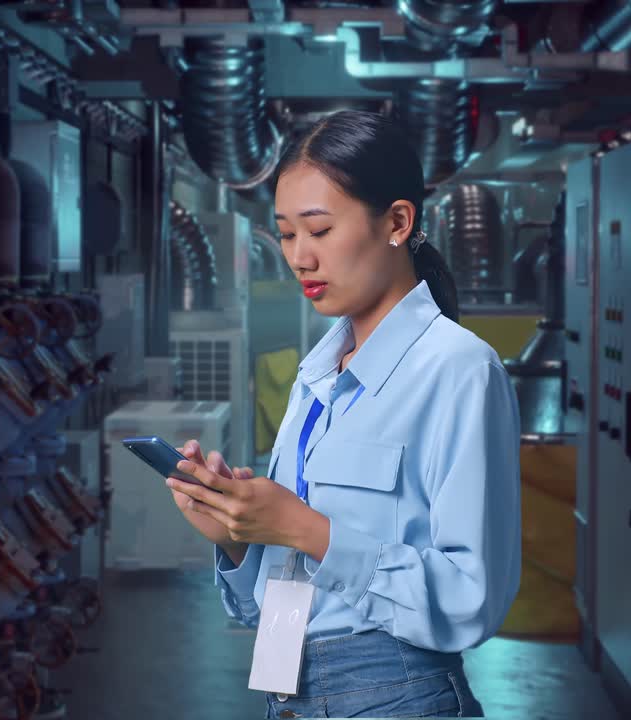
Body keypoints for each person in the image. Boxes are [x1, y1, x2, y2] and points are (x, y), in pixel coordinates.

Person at [164, 110, 522, 719]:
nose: (299, 257)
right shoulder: (319, 376)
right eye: (286, 234)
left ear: (398, 222)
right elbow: (277, 601)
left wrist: (305, 528)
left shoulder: (459, 369)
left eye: (320, 230)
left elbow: (472, 598)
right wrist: (237, 536)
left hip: (396, 697)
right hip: (290, 691)